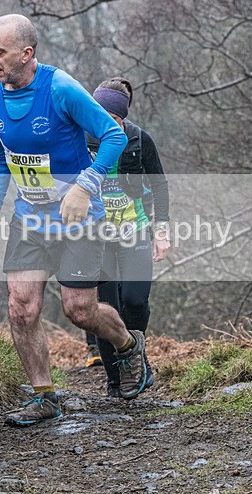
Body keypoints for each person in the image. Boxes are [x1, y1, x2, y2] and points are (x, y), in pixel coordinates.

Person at [0, 14, 149, 426]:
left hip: (79, 216)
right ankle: (44, 396)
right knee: (22, 308)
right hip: (30, 217)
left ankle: (128, 345)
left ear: (27, 53)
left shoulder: (60, 89)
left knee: (79, 309)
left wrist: (85, 186)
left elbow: (114, 135)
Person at [84, 78, 171, 398]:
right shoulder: (80, 137)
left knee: (135, 301)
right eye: (99, 116)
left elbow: (160, 185)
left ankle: (135, 354)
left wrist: (162, 231)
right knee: (105, 307)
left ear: (123, 118)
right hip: (97, 236)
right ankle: (113, 380)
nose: (105, 125)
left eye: (114, 119)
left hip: (134, 231)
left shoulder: (139, 140)